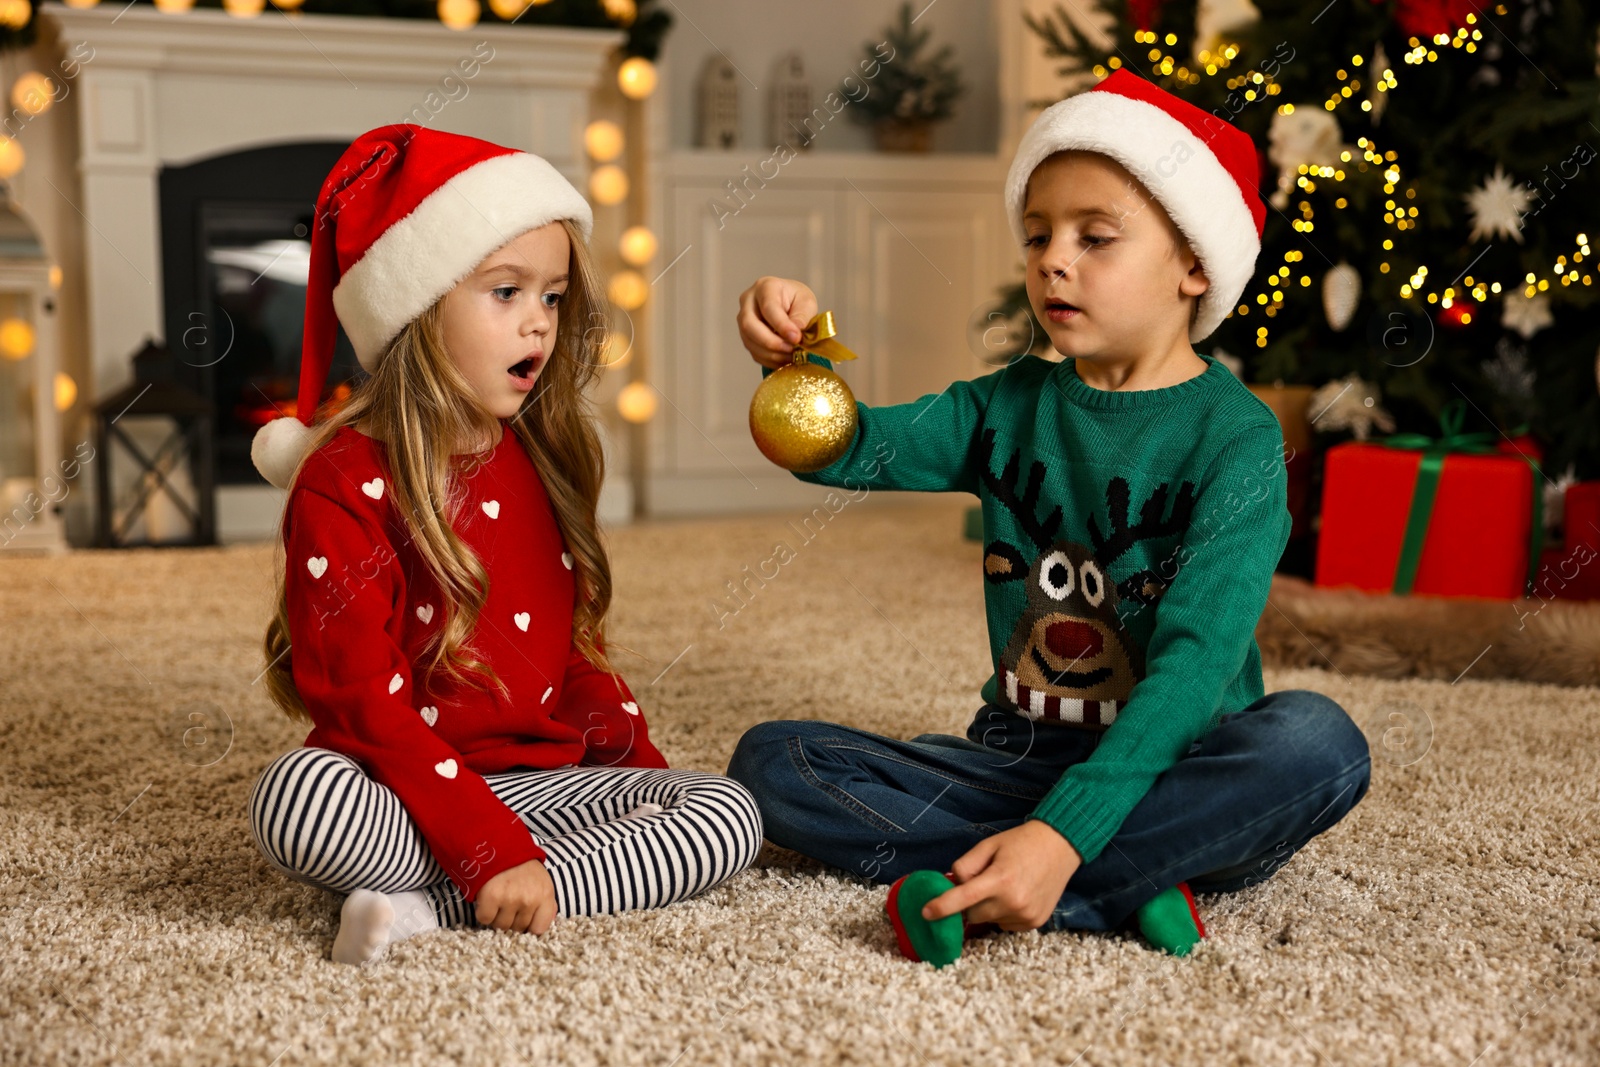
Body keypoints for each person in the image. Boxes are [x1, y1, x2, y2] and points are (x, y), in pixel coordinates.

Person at [726, 71, 1370, 959]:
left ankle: (1050, 877)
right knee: (773, 763)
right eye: (1038, 236)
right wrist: (789, 363)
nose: (1052, 260)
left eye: (1094, 237)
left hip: (1179, 762)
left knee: (1319, 743)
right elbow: (845, 448)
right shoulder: (1004, 407)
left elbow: (1194, 669)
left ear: (1195, 266)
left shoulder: (1239, 440)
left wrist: (1063, 834)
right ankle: (1126, 875)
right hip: (1017, 758)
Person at [246, 125, 762, 966]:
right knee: (297, 801)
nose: (539, 324)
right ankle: (486, 877)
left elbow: (572, 658)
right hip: (398, 786)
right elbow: (358, 702)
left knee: (726, 814)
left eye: (552, 298)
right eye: (507, 292)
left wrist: (642, 778)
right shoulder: (342, 481)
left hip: (543, 785)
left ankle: (431, 903)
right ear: (417, 306)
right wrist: (482, 839)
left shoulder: (535, 456)